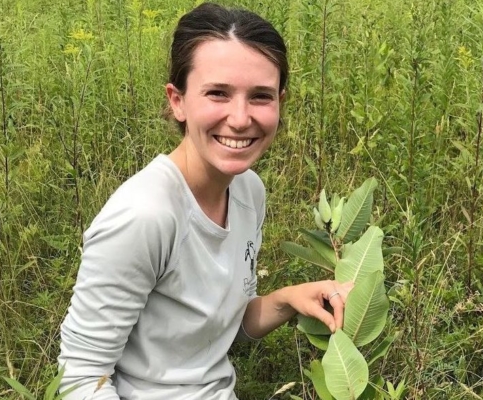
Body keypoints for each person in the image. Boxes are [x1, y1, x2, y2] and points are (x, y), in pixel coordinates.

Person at [57, 3, 353, 399]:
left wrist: (286, 300)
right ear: (177, 100)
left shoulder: (248, 190)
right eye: (218, 93)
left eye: (261, 96)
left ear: (281, 102)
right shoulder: (145, 216)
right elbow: (80, 376)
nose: (240, 117)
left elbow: (217, 329)